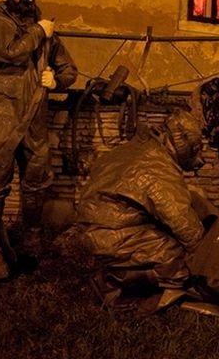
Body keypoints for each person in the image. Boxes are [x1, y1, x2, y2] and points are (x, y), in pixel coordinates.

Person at [0, 0, 78, 262]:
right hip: (1, 115)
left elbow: (69, 69)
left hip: (34, 117)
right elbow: (11, 52)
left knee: (36, 179)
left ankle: (32, 238)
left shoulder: (44, 34)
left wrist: (57, 80)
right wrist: (40, 33)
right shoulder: (0, 25)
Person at [74, 110, 207, 309]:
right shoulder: (157, 165)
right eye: (195, 148)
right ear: (182, 141)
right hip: (114, 236)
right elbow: (181, 222)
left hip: (95, 229)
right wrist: (207, 257)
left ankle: (117, 272)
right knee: (179, 260)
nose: (199, 158)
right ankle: (114, 282)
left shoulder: (134, 148)